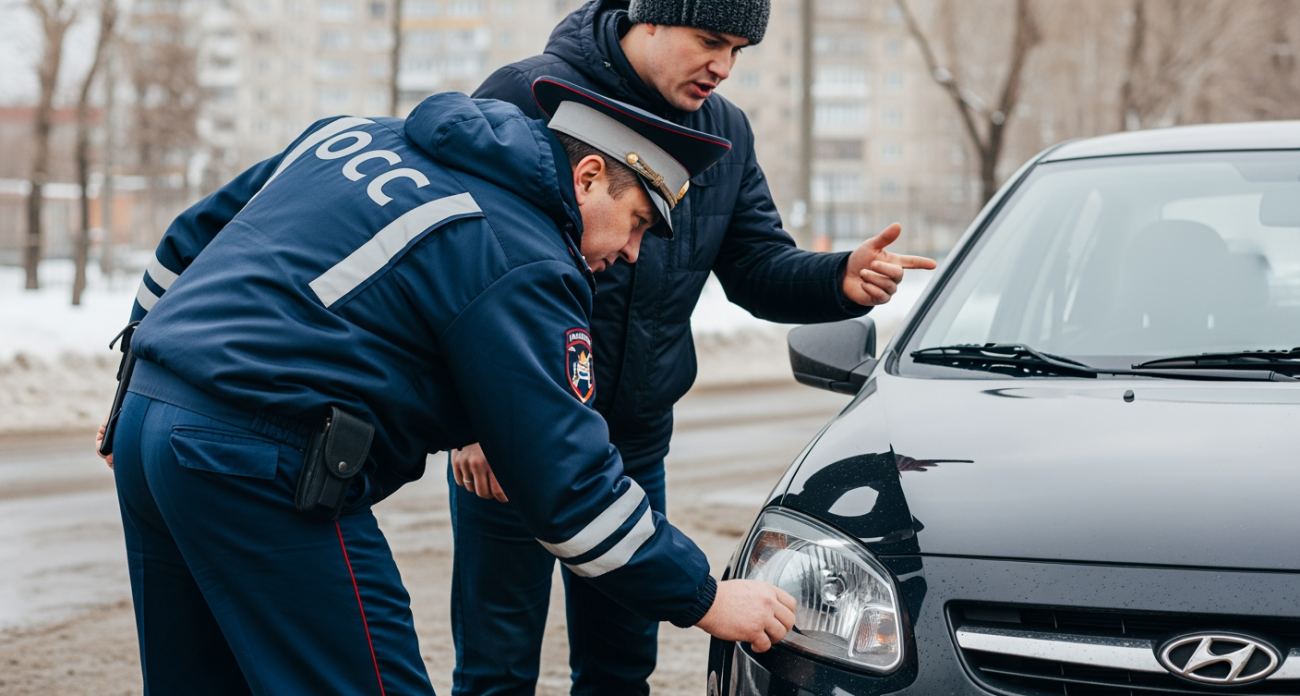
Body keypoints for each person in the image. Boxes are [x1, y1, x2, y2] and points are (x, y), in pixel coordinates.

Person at [95, 78, 798, 695]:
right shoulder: (524, 255)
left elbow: (186, 243)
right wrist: (705, 598)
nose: (633, 252)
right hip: (257, 464)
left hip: (149, 426)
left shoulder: (348, 136)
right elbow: (568, 486)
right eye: (638, 221)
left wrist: (130, 394)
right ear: (587, 177)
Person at [448, 1, 939, 694]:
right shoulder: (527, 96)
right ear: (648, 17)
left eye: (739, 49)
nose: (723, 66)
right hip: (511, 437)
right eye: (709, 40)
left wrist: (838, 278)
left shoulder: (724, 132)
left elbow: (756, 265)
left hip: (632, 448)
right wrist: (470, 423)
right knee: (495, 670)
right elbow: (459, 266)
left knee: (621, 669)